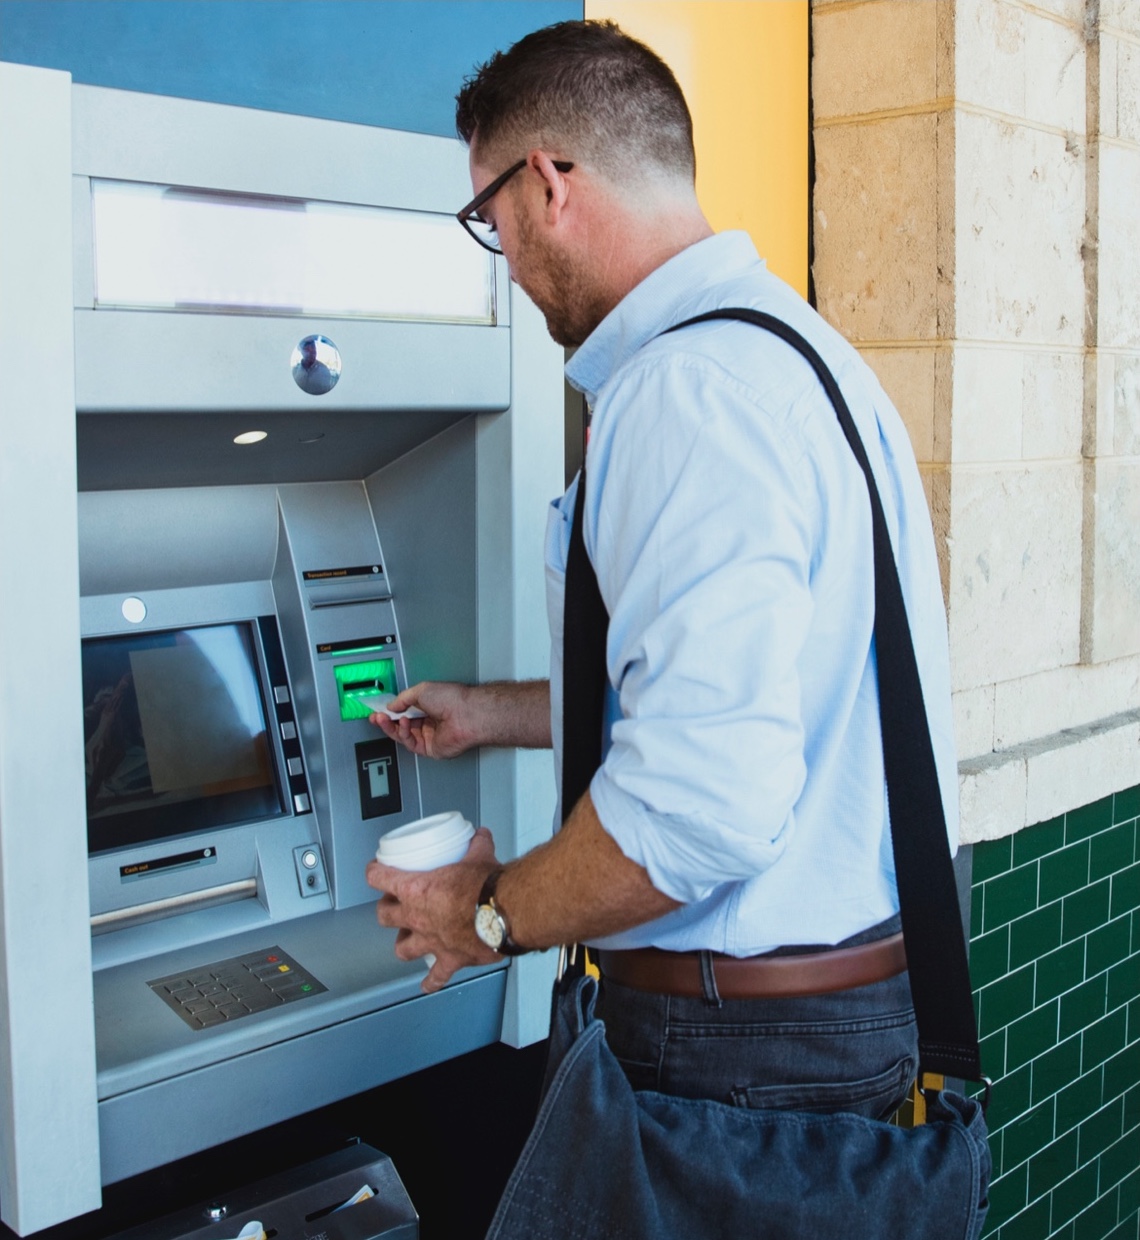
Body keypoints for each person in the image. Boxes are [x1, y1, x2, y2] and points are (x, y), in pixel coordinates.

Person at [365, 19, 959, 1120]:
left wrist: (482, 913)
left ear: (548, 182)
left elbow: (697, 809)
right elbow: (734, 691)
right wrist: (491, 713)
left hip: (732, 1055)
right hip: (809, 1031)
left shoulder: (682, 394)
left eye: (490, 221)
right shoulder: (799, 359)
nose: (507, 262)